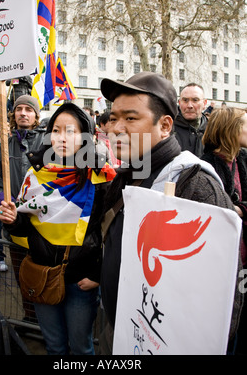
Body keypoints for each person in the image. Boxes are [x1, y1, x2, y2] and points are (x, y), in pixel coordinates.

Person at [98, 71, 243, 354]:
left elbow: (227, 303)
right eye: (113, 118)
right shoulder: (125, 175)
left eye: (130, 118)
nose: (115, 128)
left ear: (164, 125)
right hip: (118, 329)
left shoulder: (197, 185)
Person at [0, 103, 116, 355]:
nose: (62, 137)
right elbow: (25, 225)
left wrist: (97, 273)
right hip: (42, 273)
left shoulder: (100, 176)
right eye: (56, 130)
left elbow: (111, 232)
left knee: (81, 348)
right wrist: (11, 219)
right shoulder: (35, 175)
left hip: (81, 280)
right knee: (54, 347)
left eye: (70, 131)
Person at [0, 95, 45, 319]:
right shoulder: (2, 148)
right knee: (22, 274)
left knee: (46, 276)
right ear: (12, 115)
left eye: (28, 110)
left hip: (44, 226)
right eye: (19, 109)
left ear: (36, 116)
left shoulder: (49, 142)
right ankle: (29, 317)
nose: (23, 113)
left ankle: (48, 323)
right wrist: (5, 201)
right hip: (15, 228)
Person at [201, 107, 247, 354]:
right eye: (245, 125)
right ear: (230, 130)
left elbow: (235, 207)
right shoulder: (204, 166)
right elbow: (214, 212)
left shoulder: (243, 160)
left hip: (243, 258)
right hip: (219, 263)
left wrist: (240, 209)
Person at [173, 83, 208, 157]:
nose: (189, 105)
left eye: (195, 100)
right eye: (185, 100)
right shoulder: (166, 129)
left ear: (204, 103)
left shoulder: (212, 131)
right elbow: (145, 165)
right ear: (179, 103)